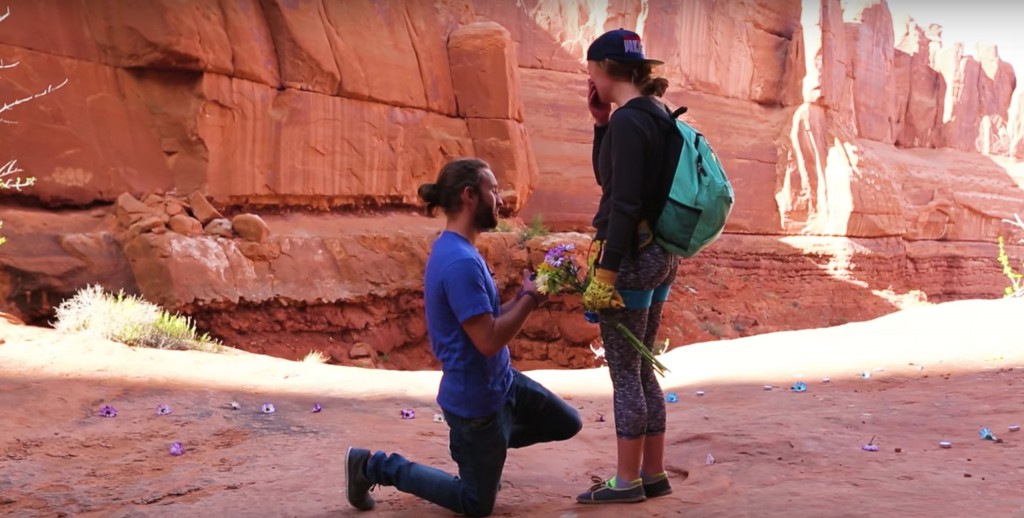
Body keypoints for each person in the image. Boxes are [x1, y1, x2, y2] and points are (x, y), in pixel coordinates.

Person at [345, 157, 583, 516]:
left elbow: (486, 319)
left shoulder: (461, 250)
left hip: (502, 385)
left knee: (567, 422)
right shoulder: (460, 262)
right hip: (477, 405)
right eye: (493, 190)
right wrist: (532, 300)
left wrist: (522, 296)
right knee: (475, 504)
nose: (501, 199)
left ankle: (480, 453)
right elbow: (487, 340)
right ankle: (372, 466)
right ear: (471, 195)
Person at [575, 29, 682, 504]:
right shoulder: (656, 114)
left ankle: (626, 481)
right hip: (662, 254)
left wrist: (606, 272)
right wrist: (601, 122)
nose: (589, 78)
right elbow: (611, 178)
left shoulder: (631, 123)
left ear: (603, 71)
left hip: (632, 259)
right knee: (642, 371)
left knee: (624, 374)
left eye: (590, 71)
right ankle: (653, 473)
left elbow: (621, 204)